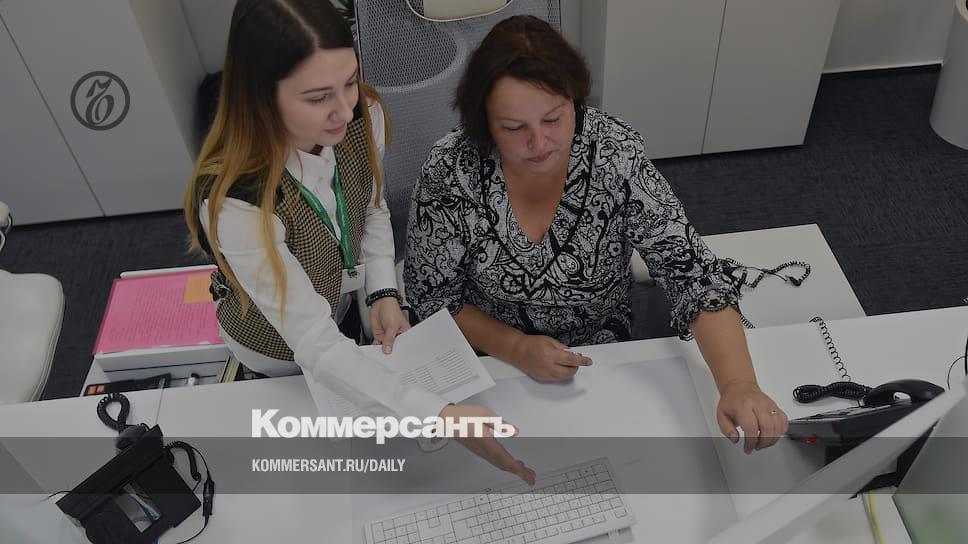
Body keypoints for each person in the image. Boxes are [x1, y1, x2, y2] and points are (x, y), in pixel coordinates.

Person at [184, 0, 534, 482]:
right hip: (277, 352)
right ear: (261, 95)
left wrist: (382, 290)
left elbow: (370, 206)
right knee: (316, 477)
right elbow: (313, 343)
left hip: (343, 308)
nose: (343, 110)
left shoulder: (361, 113)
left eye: (349, 82)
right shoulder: (234, 200)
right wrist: (436, 414)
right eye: (317, 97)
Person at [405, 15, 789, 452]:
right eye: (514, 128)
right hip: (487, 361)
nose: (539, 143)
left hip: (602, 355)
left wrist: (739, 384)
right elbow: (432, 299)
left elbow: (693, 275)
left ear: (575, 100)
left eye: (554, 118)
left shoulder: (613, 154)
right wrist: (515, 348)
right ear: (485, 123)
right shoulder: (449, 172)